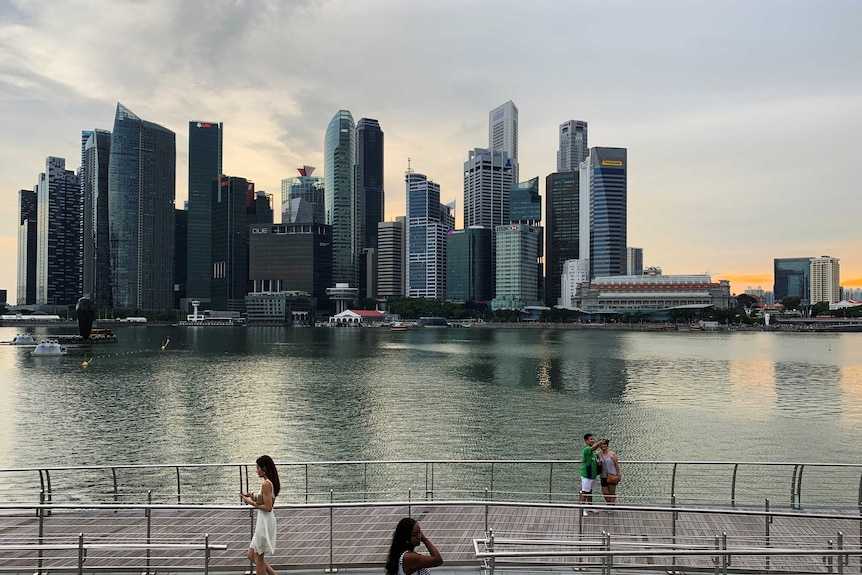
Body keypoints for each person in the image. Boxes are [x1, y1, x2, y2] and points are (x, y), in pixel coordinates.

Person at [242, 455, 281, 575]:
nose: (256, 470)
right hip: (263, 522)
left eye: (258, 467)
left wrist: (251, 502)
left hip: (264, 523)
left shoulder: (266, 484)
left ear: (264, 469)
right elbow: (265, 500)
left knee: (258, 558)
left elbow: (268, 507)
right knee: (251, 554)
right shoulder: (269, 483)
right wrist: (253, 497)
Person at [579, 433, 605, 516]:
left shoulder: (593, 452)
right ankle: (582, 509)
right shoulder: (587, 449)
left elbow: (595, 455)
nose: (592, 441)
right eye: (591, 439)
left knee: (590, 491)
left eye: (593, 439)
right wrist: (599, 443)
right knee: (584, 492)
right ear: (586, 441)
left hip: (592, 475)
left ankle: (590, 506)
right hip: (586, 475)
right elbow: (594, 448)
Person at [599, 438, 621, 508]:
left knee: (612, 492)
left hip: (612, 475)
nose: (603, 446)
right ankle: (609, 505)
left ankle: (611, 507)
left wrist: (619, 474)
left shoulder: (612, 454)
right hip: (603, 475)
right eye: (602, 444)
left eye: (605, 444)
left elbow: (616, 465)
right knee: (604, 492)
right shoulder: (598, 454)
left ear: (607, 445)